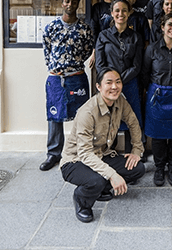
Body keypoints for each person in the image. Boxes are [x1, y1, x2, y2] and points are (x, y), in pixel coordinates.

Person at [60, 69, 145, 223]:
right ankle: (82, 200)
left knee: (137, 168)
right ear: (98, 87)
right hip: (76, 161)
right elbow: (85, 153)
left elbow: (133, 122)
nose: (114, 86)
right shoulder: (88, 112)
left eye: (118, 82)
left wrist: (136, 150)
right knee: (97, 180)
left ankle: (101, 190)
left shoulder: (120, 101)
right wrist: (112, 174)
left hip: (101, 154)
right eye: (109, 82)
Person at [40, 0, 94, 171]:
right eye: (67, 1)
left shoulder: (84, 29)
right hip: (56, 79)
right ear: (62, 4)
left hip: (77, 77)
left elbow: (87, 50)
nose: (70, 4)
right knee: (55, 116)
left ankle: (81, 151)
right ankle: (53, 154)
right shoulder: (51, 27)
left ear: (78, 5)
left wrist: (73, 63)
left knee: (82, 117)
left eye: (74, 2)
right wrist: (55, 65)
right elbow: (46, 48)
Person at [142, 13, 172, 187]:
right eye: (169, 25)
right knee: (158, 135)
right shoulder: (152, 49)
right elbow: (145, 74)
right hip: (157, 96)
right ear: (162, 27)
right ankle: (159, 168)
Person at [95, 0, 144, 154]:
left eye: (124, 10)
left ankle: (133, 156)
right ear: (111, 13)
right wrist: (112, 82)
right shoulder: (103, 36)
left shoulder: (136, 37)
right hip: (109, 87)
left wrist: (120, 81)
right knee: (110, 122)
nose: (120, 13)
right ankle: (110, 156)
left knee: (132, 121)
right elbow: (100, 64)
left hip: (129, 85)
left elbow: (137, 65)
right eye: (117, 10)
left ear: (129, 13)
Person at [89, 0, 117, 68]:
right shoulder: (97, 7)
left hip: (117, 45)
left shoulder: (118, 5)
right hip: (102, 45)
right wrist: (94, 50)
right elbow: (94, 28)